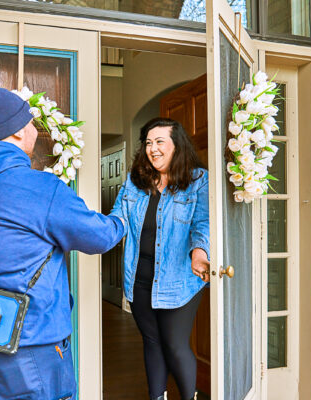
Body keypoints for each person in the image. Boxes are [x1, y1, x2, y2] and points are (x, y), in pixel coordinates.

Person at [0, 82, 125, 400]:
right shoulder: (41, 189)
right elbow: (100, 237)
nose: (34, 128)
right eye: (30, 122)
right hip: (30, 350)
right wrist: (122, 219)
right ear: (16, 132)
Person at [110, 117, 210, 400]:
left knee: (175, 345)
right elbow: (118, 218)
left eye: (160, 142)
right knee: (152, 342)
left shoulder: (198, 180)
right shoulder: (135, 182)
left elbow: (202, 223)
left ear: (177, 146)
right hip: (139, 279)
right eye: (149, 143)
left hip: (179, 280)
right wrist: (94, 231)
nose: (152, 149)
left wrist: (200, 252)